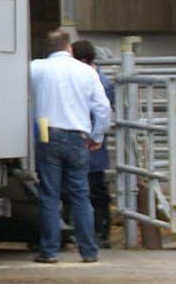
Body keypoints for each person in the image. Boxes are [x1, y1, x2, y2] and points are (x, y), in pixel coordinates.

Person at [29, 30, 111, 263]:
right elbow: (103, 109)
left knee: (49, 195)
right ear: (69, 48)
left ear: (48, 48)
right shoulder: (86, 71)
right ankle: (88, 250)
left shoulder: (37, 68)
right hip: (78, 136)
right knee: (80, 195)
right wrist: (97, 136)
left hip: (48, 134)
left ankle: (49, 251)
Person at [71, 39, 116, 248]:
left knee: (94, 188)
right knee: (86, 187)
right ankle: (95, 231)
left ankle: (101, 232)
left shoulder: (98, 81)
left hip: (90, 141)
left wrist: (96, 137)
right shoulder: (97, 78)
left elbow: (102, 111)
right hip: (88, 140)